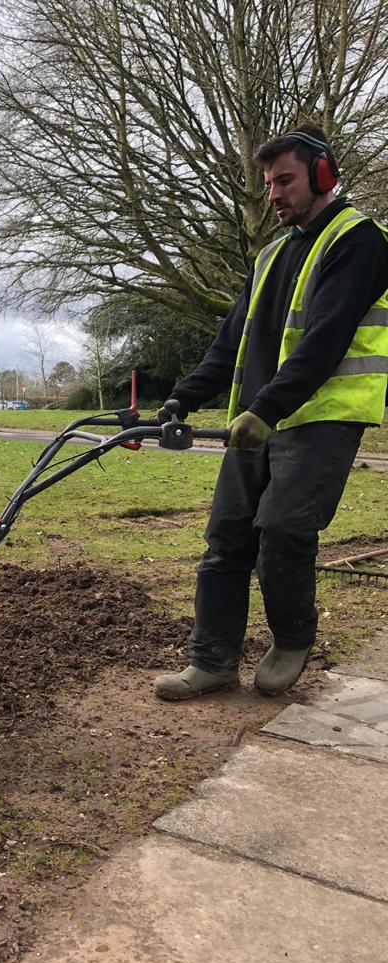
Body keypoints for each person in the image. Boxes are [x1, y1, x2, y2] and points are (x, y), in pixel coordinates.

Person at [153, 123, 388, 701]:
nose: (275, 194)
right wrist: (183, 395)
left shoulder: (360, 242)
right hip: (256, 422)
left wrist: (267, 408)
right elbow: (230, 342)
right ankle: (211, 663)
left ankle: (291, 637)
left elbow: (325, 340)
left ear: (323, 173)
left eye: (285, 180)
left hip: (319, 418)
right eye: (268, 185)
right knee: (226, 539)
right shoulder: (270, 256)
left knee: (282, 530)